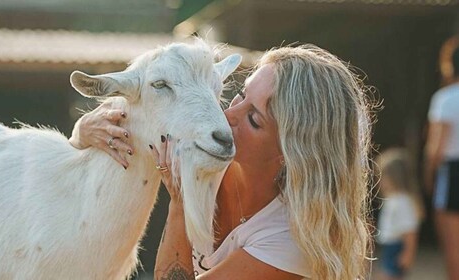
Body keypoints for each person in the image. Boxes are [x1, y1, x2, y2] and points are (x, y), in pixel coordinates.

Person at [69, 44, 375, 279]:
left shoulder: (289, 240)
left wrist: (179, 203)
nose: (227, 116)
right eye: (239, 96)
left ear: (291, 150)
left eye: (253, 118)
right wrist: (83, 131)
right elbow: (148, 116)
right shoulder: (212, 149)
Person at [424, 45, 459, 280]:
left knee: (453, 247)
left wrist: (428, 177)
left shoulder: (445, 99)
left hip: (452, 173)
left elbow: (435, 149)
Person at [376, 149, 423, 280]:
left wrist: (408, 253)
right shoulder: (393, 199)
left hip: (396, 249)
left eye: (383, 176)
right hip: (389, 248)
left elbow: (409, 231)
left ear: (394, 177)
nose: (380, 181)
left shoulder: (402, 202)